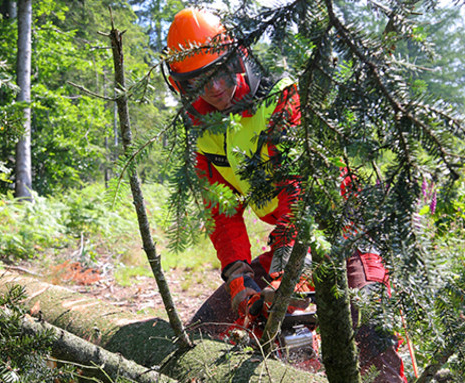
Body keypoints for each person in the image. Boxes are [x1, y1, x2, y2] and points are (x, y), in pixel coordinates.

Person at [166, 8, 406, 382]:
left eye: (219, 72)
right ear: (181, 84)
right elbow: (221, 211)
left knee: (374, 341)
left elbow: (301, 193)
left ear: (238, 57)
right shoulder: (205, 129)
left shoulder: (282, 99)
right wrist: (238, 273)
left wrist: (286, 270)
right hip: (288, 240)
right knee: (204, 332)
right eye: (199, 81)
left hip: (347, 233)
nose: (213, 89)